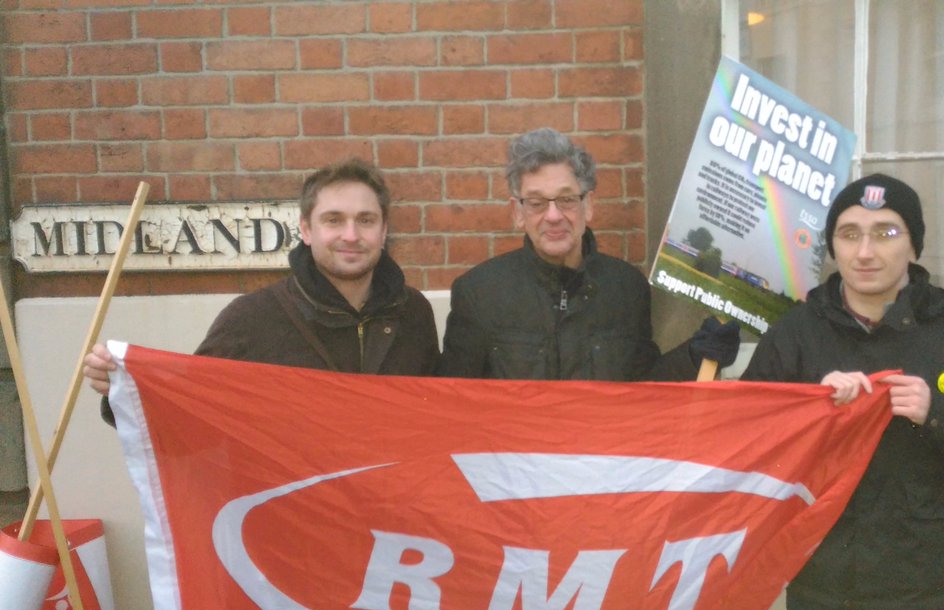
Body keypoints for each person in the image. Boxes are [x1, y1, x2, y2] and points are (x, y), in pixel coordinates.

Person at [740, 174, 944, 610]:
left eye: (886, 233)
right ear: (832, 245)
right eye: (850, 234)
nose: (866, 251)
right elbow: (745, 437)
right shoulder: (795, 335)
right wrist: (810, 409)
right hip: (819, 585)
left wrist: (936, 412)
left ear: (915, 245)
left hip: (914, 591)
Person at [84, 158, 440, 415]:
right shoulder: (252, 319)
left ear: (383, 229)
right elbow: (192, 402)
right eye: (334, 220)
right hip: (295, 512)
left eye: (365, 220)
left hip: (390, 509)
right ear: (305, 229)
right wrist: (123, 389)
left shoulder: (413, 312)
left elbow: (440, 410)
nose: (351, 235)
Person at [437, 127, 739, 381]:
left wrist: (695, 356)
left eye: (567, 199)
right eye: (537, 202)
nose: (554, 216)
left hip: (604, 450)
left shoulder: (626, 289)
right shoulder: (479, 294)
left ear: (588, 205)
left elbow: (644, 391)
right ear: (518, 212)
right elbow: (454, 403)